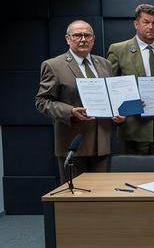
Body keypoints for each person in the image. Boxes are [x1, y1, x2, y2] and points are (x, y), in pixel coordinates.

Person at [35, 20, 125, 183]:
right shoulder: (53, 65)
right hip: (73, 145)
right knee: (74, 202)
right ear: (67, 39)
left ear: (93, 38)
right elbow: (42, 101)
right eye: (77, 35)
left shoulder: (104, 64)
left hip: (101, 144)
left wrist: (118, 114)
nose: (83, 39)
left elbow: (111, 96)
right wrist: (70, 111)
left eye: (87, 35)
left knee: (102, 199)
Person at [106, 4, 154, 155]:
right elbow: (110, 86)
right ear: (136, 24)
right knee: (134, 177)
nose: (150, 27)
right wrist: (116, 112)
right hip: (133, 129)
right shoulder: (119, 50)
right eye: (146, 22)